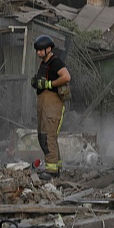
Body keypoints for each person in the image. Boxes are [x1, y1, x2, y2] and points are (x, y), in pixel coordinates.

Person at [30, 35, 71, 181]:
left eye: (41, 50)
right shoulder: (43, 63)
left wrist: (48, 84)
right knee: (43, 137)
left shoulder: (55, 62)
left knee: (48, 137)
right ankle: (56, 167)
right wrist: (37, 83)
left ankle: (51, 171)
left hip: (53, 105)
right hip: (43, 104)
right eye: (37, 50)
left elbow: (66, 77)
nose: (38, 53)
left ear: (48, 49)